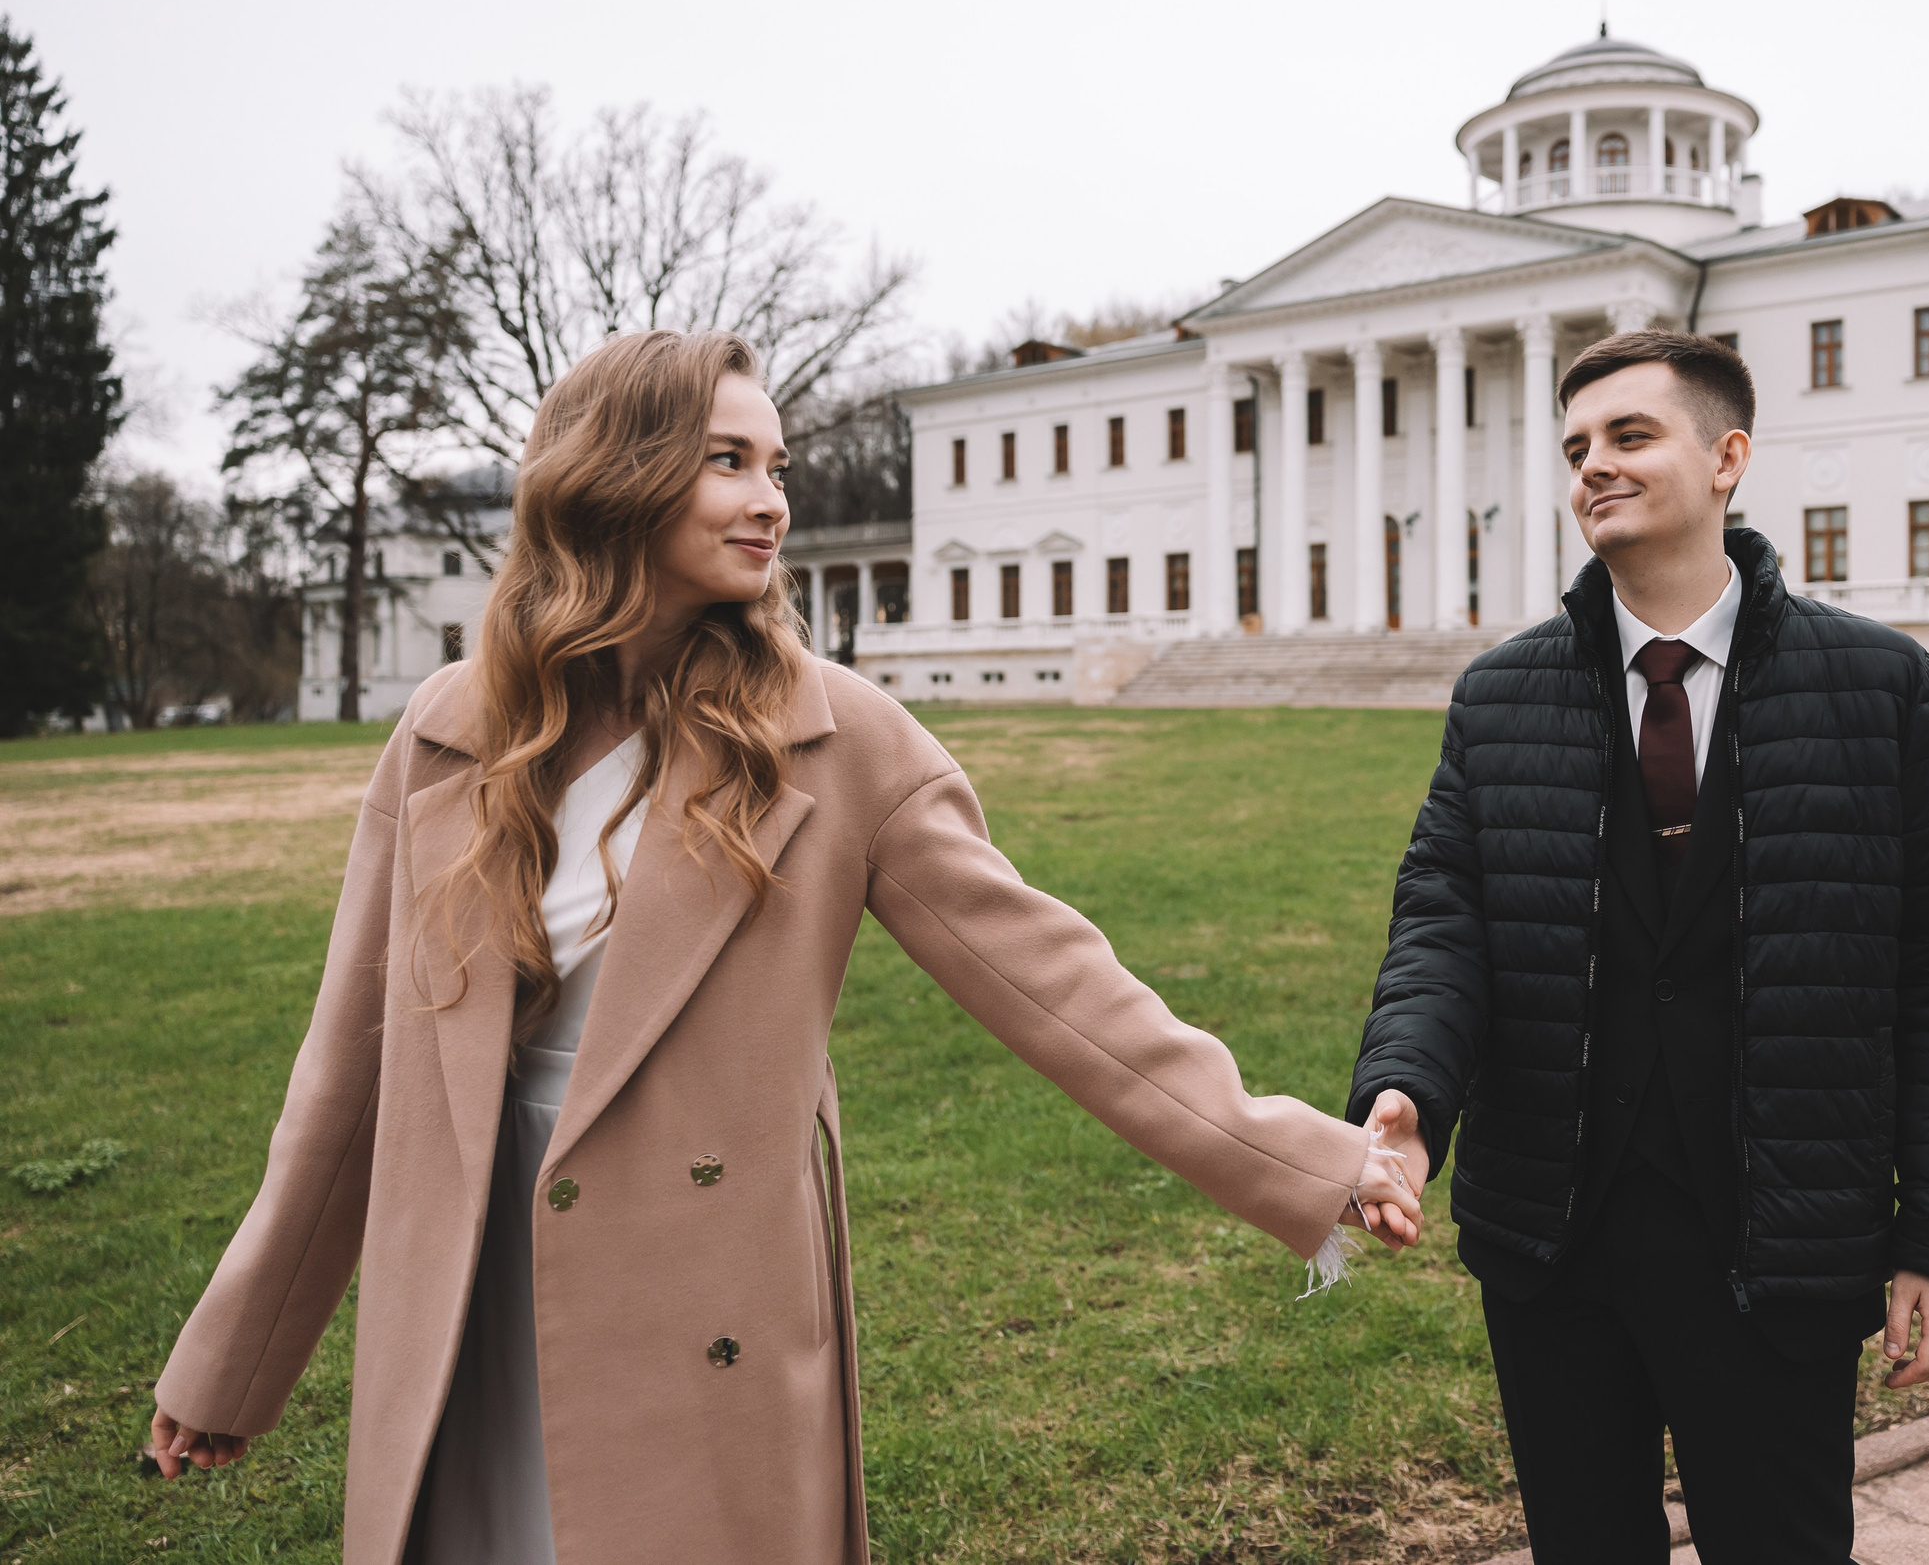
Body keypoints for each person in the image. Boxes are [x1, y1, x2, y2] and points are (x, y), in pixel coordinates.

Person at [147, 330, 1425, 1565]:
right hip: (466, 1267)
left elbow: (1058, 984)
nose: (772, 504)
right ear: (614, 476)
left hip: (701, 1288)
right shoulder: (449, 727)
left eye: (779, 469)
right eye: (728, 462)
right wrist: (234, 1359)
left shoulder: (839, 738)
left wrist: (1303, 1156)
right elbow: (347, 1071)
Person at [1348, 329, 1929, 1563]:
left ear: (1728, 459)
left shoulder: (1880, 689)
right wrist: (1407, 1090)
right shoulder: (1500, 698)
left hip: (1779, 1234)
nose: (1593, 466)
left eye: (1629, 436)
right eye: (1576, 448)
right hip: (1557, 1239)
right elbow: (1445, 921)